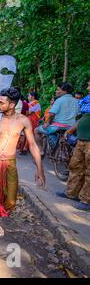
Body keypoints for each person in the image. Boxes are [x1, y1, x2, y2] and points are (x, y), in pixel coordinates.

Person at [0, 87, 45, 242]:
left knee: (11, 200)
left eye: (1, 102)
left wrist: (39, 169)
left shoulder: (23, 120)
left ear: (12, 104)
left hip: (10, 162)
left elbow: (33, 145)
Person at [61, 80, 90, 211]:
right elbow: (82, 118)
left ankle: (86, 200)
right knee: (76, 166)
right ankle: (71, 193)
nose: (88, 87)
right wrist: (71, 130)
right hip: (81, 139)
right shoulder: (86, 102)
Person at [35, 82, 80, 149]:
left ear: (64, 91)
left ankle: (40, 149)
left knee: (36, 130)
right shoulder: (76, 101)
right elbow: (78, 115)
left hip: (57, 127)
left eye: (58, 90)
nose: (56, 91)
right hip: (71, 128)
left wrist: (48, 123)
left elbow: (52, 114)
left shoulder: (59, 100)